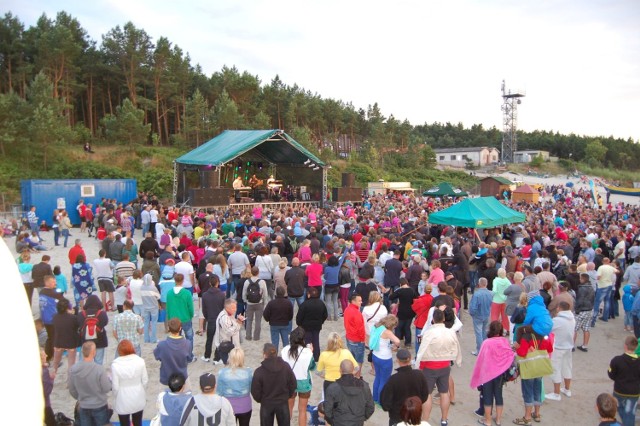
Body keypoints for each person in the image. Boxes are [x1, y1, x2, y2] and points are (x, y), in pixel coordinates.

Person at [415, 309, 462, 426]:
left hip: (430, 366)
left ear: (433, 320)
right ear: (444, 319)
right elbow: (457, 346)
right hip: (445, 365)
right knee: (444, 392)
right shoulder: (450, 332)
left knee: (427, 394)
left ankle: (425, 420)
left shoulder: (429, 333)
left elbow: (422, 350)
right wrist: (457, 360)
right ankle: (444, 419)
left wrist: (418, 365)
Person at [470, 321, 515, 426]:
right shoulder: (504, 341)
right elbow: (509, 355)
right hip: (499, 374)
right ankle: (498, 420)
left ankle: (488, 420)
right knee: (499, 395)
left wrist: (478, 374)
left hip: (487, 374)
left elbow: (481, 359)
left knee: (487, 396)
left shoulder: (487, 342)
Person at [512, 322, 553, 425]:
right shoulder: (544, 335)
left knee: (528, 392)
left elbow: (521, 353)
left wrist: (516, 347)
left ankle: (527, 417)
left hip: (529, 368)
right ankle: (537, 414)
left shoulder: (526, 336)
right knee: (537, 390)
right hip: (539, 368)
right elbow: (550, 349)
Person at [251, 343, 297, 426]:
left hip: (267, 403)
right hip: (282, 402)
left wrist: (261, 400)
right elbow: (293, 384)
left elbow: (255, 391)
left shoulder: (259, 371)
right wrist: (287, 395)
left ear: (264, 354)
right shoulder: (285, 367)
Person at [380, 349, 429, 426]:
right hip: (414, 415)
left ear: (397, 360)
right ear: (410, 358)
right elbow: (425, 396)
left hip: (397, 418)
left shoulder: (393, 379)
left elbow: (385, 404)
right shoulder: (419, 375)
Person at [67, 341, 112, 425]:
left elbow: (72, 389)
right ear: (93, 352)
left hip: (84, 405)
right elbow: (106, 388)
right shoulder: (99, 369)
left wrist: (81, 398)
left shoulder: (73, 369)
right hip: (99, 404)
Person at [281, 327, 316, 426]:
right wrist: (311, 351)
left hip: (289, 382)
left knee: (288, 408)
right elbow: (312, 367)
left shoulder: (285, 350)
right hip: (304, 383)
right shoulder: (307, 352)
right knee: (302, 410)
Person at [324, 359, 375, 426]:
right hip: (357, 421)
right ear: (353, 370)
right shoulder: (364, 386)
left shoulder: (333, 388)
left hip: (339, 421)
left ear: (340, 370)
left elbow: (327, 410)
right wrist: (362, 418)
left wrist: (334, 421)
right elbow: (370, 407)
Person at [111, 339, 148, 426]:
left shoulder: (115, 365)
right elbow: (145, 381)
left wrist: (116, 397)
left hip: (122, 396)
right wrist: (142, 391)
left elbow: (115, 387)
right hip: (138, 394)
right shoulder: (140, 361)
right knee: (138, 422)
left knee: (124, 423)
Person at [545, 301, 576, 401]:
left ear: (559, 308)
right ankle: (567, 389)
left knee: (555, 369)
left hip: (558, 347)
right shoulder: (572, 319)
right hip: (568, 347)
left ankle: (556, 393)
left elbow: (548, 329)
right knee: (567, 367)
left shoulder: (557, 320)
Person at [607, 336, 640, 426]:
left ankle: (626, 422)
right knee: (630, 412)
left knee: (619, 407)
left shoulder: (617, 360)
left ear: (625, 346)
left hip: (619, 390)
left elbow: (611, 374)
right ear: (636, 347)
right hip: (634, 392)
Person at [369, 314, 401, 404]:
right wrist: (396, 346)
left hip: (375, 355)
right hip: (385, 358)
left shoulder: (377, 326)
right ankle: (381, 401)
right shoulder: (387, 332)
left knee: (378, 378)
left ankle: (375, 398)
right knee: (384, 380)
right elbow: (398, 341)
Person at [217, 348, 253, 426]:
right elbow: (251, 389)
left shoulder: (222, 373)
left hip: (228, 406)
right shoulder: (248, 372)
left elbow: (219, 392)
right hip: (245, 406)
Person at [166, 273, 196, 362]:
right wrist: (190, 315)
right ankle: (189, 356)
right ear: (182, 281)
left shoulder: (169, 293)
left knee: (175, 339)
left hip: (174, 319)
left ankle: (177, 356)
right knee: (189, 338)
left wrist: (169, 318)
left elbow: (168, 307)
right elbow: (191, 307)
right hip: (185, 318)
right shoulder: (186, 293)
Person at [154, 318, 192, 386]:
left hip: (167, 377)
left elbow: (157, 356)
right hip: (182, 376)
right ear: (180, 328)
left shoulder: (162, 345)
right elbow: (189, 359)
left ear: (169, 328)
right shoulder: (187, 344)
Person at [296, 286, 328, 361]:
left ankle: (308, 357)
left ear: (309, 294)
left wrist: (300, 324)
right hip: (317, 326)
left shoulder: (304, 304)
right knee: (316, 340)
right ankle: (316, 357)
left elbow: (299, 316)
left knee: (307, 341)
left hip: (306, 326)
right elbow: (325, 315)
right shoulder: (321, 304)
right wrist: (321, 321)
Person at [51, 298, 80, 376]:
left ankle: (52, 376)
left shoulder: (54, 317)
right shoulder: (72, 318)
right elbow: (77, 326)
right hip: (70, 342)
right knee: (71, 363)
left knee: (56, 362)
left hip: (58, 341)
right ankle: (69, 381)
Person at [38, 274, 64, 361]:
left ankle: (48, 356)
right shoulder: (53, 293)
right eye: (53, 282)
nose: (55, 283)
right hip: (52, 319)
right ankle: (51, 357)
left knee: (50, 337)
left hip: (45, 318)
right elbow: (64, 302)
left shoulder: (41, 292)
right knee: (54, 338)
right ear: (48, 283)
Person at [78, 294, 109, 365]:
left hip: (85, 342)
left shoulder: (81, 314)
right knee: (98, 362)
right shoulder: (102, 314)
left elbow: (78, 324)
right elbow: (105, 323)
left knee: (83, 362)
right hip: (99, 341)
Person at [201, 274, 226, 362]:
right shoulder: (222, 295)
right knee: (218, 339)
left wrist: (207, 318)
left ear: (209, 283)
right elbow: (224, 309)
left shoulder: (205, 295)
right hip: (219, 319)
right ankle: (217, 358)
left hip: (211, 319)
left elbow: (204, 309)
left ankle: (207, 356)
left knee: (209, 339)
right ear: (217, 283)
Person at [213, 299, 245, 365]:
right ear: (227, 308)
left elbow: (230, 325)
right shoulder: (224, 317)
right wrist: (238, 323)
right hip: (227, 346)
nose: (235, 309)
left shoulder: (229, 314)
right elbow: (230, 332)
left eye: (235, 307)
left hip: (229, 344)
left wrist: (237, 320)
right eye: (233, 308)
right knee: (231, 365)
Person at [263, 285, 294, 350]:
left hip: (274, 324)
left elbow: (265, 314)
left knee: (275, 342)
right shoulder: (288, 303)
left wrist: (268, 320)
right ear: (284, 293)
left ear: (276, 293)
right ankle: (286, 356)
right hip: (284, 324)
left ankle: (274, 357)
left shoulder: (271, 303)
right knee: (286, 342)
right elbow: (291, 314)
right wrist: (288, 320)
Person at [390, 277, 418, 348]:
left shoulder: (400, 291)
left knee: (398, 327)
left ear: (400, 284)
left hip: (402, 311)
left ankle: (397, 343)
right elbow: (416, 299)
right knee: (407, 327)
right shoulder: (412, 290)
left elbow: (391, 297)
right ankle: (408, 343)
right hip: (410, 312)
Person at [469, 277, 493, 356]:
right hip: (486, 314)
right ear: (486, 284)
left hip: (478, 316)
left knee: (479, 333)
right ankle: (485, 348)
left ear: (479, 284)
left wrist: (472, 314)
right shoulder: (490, 293)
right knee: (484, 332)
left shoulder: (477, 294)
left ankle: (479, 350)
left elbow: (473, 307)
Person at [343, 293, 365, 371]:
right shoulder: (357, 313)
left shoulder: (347, 309)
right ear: (353, 301)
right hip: (357, 340)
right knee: (358, 360)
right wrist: (362, 340)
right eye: (359, 301)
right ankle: (358, 376)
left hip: (349, 337)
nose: (361, 302)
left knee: (352, 357)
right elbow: (360, 329)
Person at [575, 272, 595, 351]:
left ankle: (571, 346)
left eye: (580, 278)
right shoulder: (591, 287)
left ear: (583, 279)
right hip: (589, 310)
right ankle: (585, 345)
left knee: (575, 328)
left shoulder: (582, 288)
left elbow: (580, 300)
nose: (579, 280)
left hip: (582, 310)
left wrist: (577, 310)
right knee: (586, 328)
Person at [491, 268, 511, 332]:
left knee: (494, 316)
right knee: (505, 316)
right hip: (504, 301)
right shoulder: (507, 280)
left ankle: (494, 329)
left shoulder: (496, 280)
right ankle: (505, 329)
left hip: (496, 300)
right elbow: (510, 289)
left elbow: (494, 290)